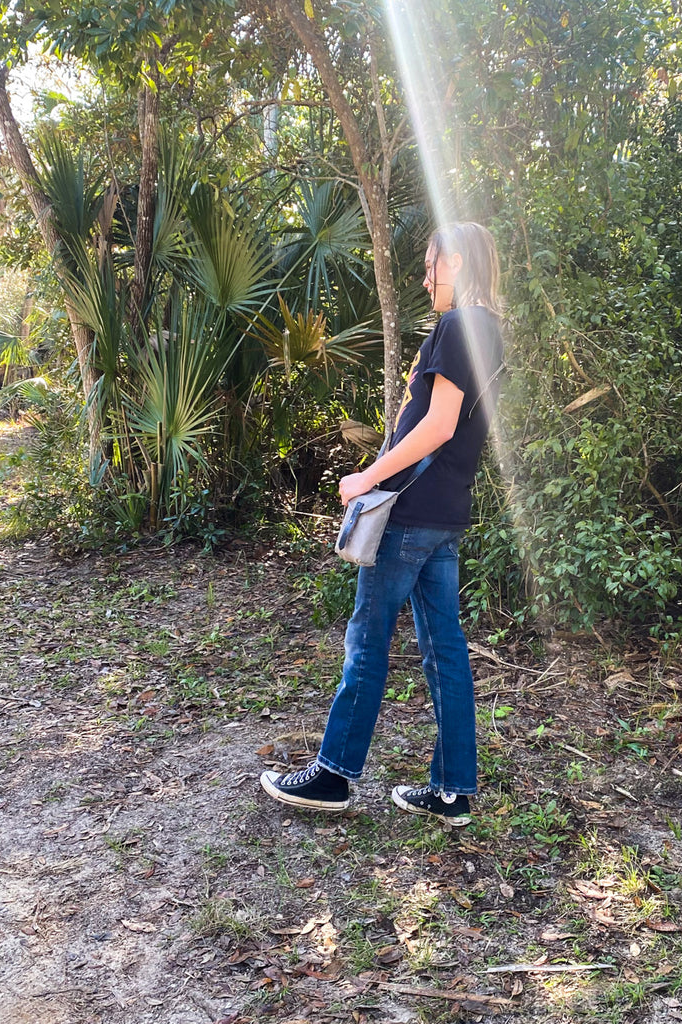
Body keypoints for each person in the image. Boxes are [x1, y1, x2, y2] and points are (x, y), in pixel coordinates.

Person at [260, 222, 505, 826]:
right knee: (444, 649)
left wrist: (369, 477)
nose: (425, 278)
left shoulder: (456, 325)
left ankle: (334, 777)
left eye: (431, 265)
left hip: (412, 511)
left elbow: (440, 423)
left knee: (368, 641)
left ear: (458, 262)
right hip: (445, 513)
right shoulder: (492, 331)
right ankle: (453, 790)